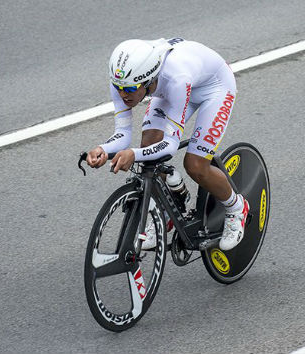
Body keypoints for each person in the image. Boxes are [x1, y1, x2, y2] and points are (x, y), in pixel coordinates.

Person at [86, 37, 249, 251]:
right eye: (118, 88)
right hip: (172, 90)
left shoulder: (176, 79)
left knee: (195, 165)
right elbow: (123, 134)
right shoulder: (124, 80)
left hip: (214, 88)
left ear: (147, 81)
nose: (122, 94)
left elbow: (170, 145)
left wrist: (133, 154)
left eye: (130, 89)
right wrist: (103, 149)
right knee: (149, 143)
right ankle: (168, 206)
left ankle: (237, 207)